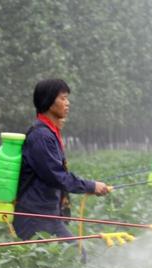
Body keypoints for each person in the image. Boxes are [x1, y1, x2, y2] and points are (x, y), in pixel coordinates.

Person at [13, 79, 109, 240]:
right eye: (63, 98)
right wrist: (91, 186)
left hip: (47, 215)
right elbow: (56, 176)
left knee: (72, 257)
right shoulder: (41, 136)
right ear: (50, 102)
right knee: (74, 257)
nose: (68, 103)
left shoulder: (49, 133)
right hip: (35, 218)